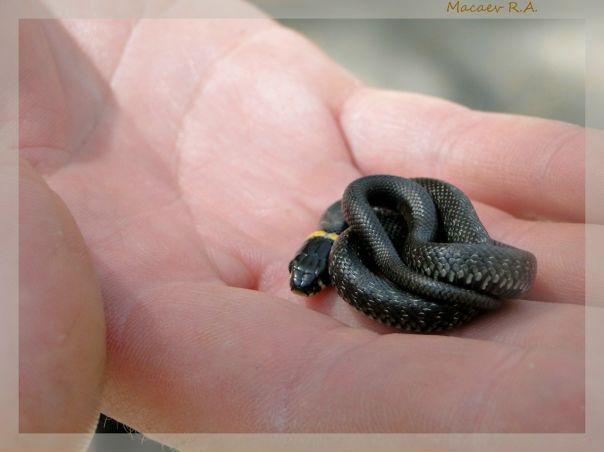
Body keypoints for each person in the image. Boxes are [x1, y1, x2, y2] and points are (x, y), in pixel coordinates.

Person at [18, 14, 586, 442]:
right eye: (307, 278)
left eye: (311, 279)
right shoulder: (351, 239)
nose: (307, 287)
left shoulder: (380, 223)